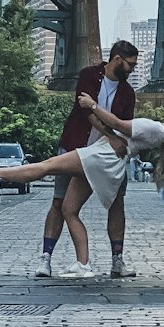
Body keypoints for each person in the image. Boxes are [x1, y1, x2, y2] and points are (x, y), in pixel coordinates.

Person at [0, 96, 164, 278]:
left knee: (46, 166)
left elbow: (117, 124)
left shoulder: (157, 130)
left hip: (100, 157)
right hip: (105, 161)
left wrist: (92, 105)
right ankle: (82, 264)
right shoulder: (158, 131)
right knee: (69, 209)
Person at [34, 41, 139, 279]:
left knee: (116, 203)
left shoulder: (128, 92)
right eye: (130, 64)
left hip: (106, 157)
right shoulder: (89, 76)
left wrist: (117, 140)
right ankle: (45, 259)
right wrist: (111, 136)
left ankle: (117, 261)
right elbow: (87, 113)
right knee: (59, 203)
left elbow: (124, 124)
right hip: (75, 147)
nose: (132, 69)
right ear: (117, 59)